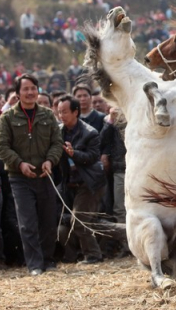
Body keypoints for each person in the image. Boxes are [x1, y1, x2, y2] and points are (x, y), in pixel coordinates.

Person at [0, 74, 63, 275]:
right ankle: (34, 265)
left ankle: (48, 259)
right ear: (17, 94)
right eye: (25, 89)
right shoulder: (7, 118)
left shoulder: (47, 115)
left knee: (48, 221)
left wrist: (50, 160)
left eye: (33, 88)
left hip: (45, 174)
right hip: (19, 178)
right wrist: (19, 163)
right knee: (27, 223)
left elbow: (57, 142)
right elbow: (2, 146)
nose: (30, 92)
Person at [57, 96, 106, 264]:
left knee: (79, 221)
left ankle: (93, 256)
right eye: (59, 112)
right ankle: (73, 256)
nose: (61, 115)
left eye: (64, 112)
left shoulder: (90, 132)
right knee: (78, 223)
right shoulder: (59, 131)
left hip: (89, 183)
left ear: (75, 112)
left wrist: (73, 154)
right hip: (69, 184)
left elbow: (92, 157)